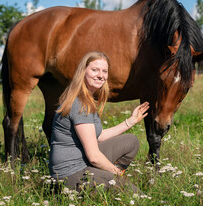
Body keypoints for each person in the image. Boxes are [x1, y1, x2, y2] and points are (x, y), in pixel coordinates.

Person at [49, 51, 149, 193]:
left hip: (83, 162)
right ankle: (108, 181)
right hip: (69, 175)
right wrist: (116, 173)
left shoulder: (86, 98)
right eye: (95, 70)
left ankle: (105, 180)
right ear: (83, 72)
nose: (101, 75)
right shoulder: (80, 104)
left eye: (104, 71)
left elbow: (98, 136)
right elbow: (94, 157)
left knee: (130, 141)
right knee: (137, 196)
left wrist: (130, 122)